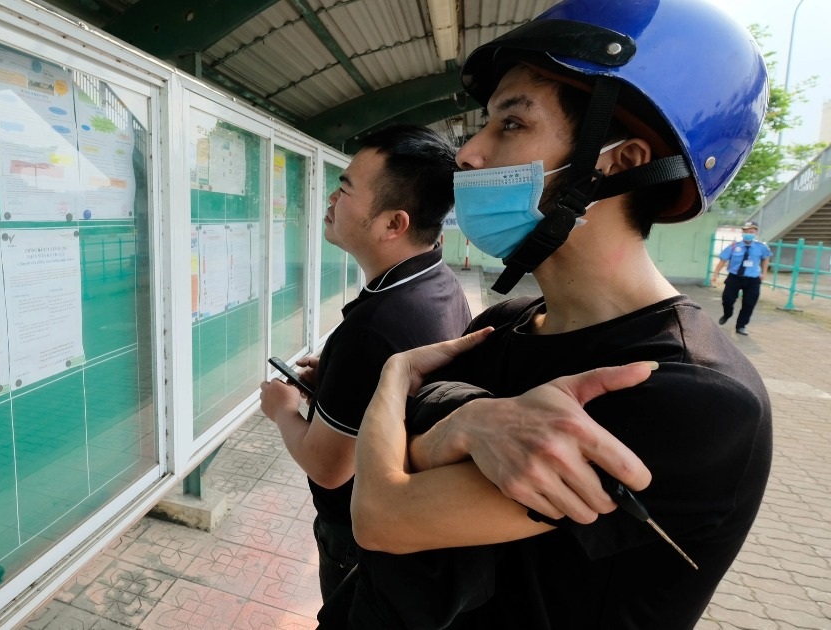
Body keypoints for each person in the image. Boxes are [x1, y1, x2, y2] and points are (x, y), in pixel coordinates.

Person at [335, 1, 774, 628]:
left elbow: (382, 515)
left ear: (618, 160)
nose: (469, 153)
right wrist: (461, 419)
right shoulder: (510, 322)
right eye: (483, 125)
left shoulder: (692, 394)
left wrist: (398, 381)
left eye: (511, 125)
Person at [258, 125, 471, 601]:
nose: (332, 198)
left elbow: (328, 466)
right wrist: (333, 381)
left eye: (346, 188)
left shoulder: (376, 327)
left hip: (353, 538)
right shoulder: (437, 282)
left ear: (393, 224)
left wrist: (282, 409)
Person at [711, 220, 772, 335]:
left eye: (751, 231)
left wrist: (764, 273)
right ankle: (727, 314)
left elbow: (765, 259)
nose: (749, 233)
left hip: (753, 279)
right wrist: (715, 274)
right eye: (746, 231)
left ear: (756, 233)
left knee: (749, 303)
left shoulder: (761, 247)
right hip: (735, 277)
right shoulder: (733, 247)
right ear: (742, 232)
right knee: (727, 299)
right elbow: (723, 260)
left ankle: (741, 326)